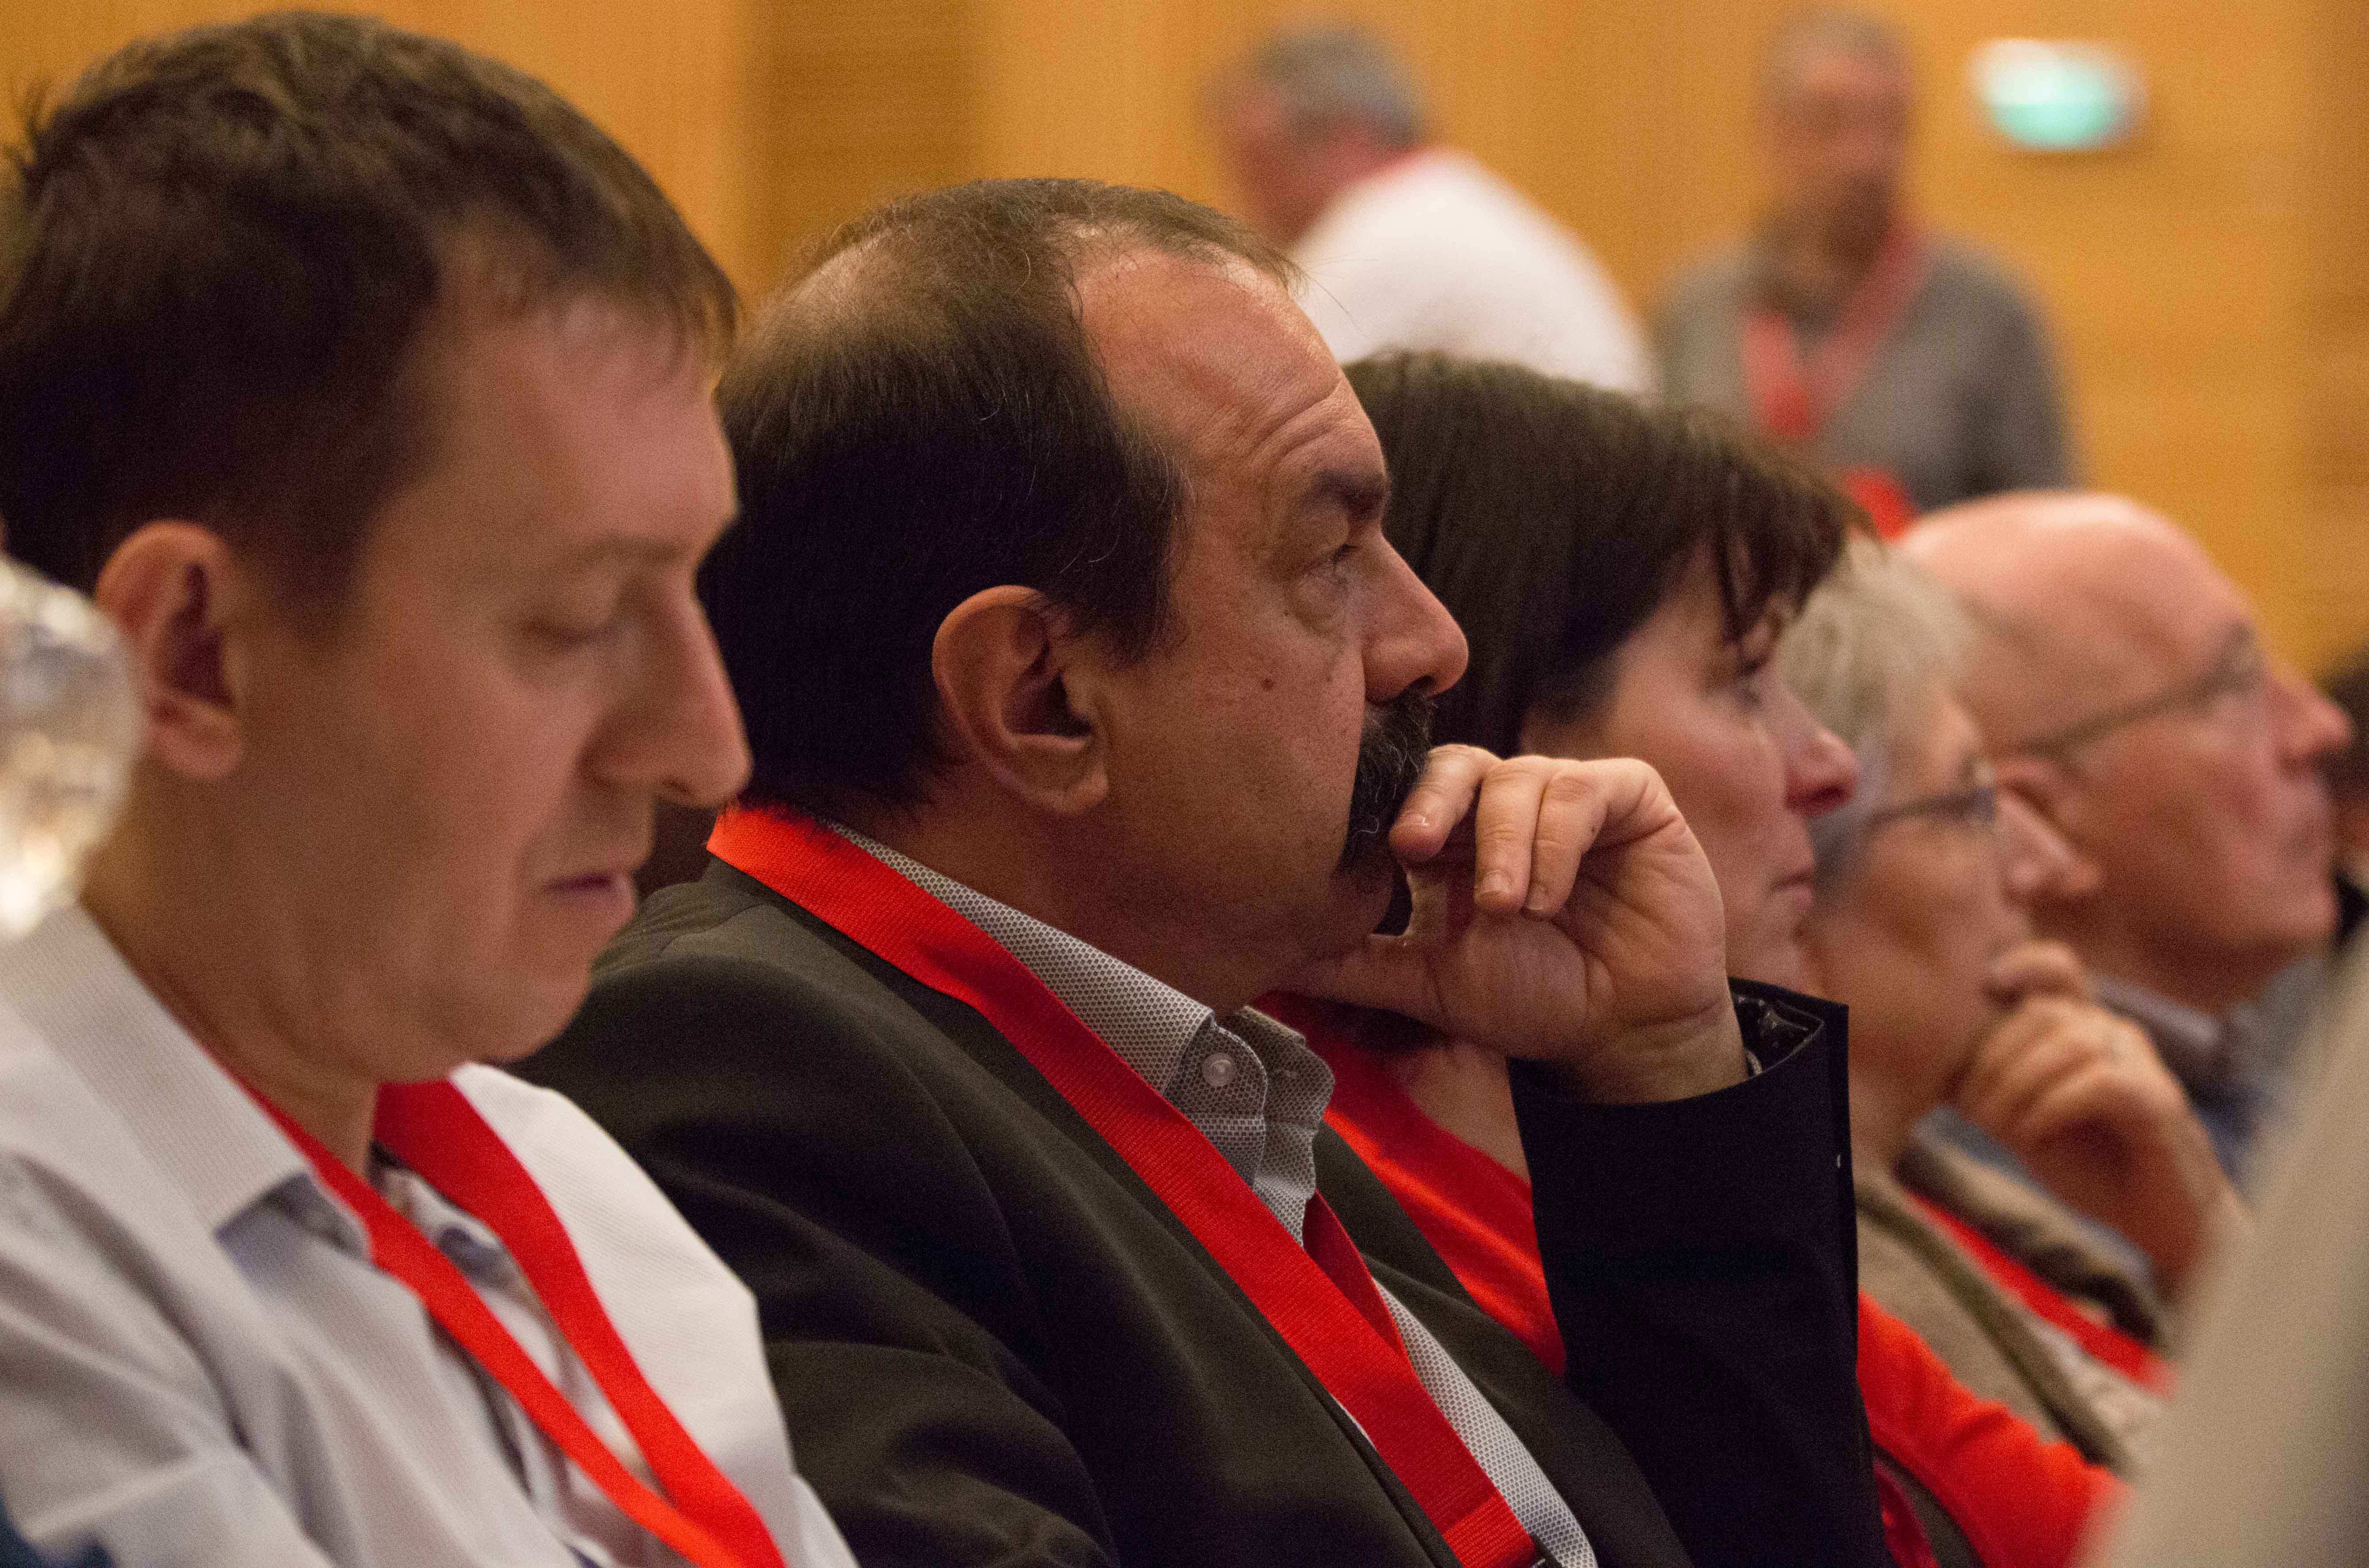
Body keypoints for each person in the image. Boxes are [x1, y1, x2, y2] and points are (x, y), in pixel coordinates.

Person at [527, 178, 1888, 1568]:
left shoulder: (1213, 1082)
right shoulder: (742, 1081)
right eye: (1333, 558)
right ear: (1044, 697)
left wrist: (1658, 1071)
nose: (1432, 642)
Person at [0, 15, 853, 1566]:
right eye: (577, 619)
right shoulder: (35, 1255)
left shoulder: (561, 1174)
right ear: (191, 655)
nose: (705, 749)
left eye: (692, 592)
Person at [1283, 350, 2115, 1568]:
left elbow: (2106, 1526)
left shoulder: (1670, 1151)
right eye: (1742, 680)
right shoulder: (1324, 1202)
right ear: (1517, 745)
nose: (1828, 765)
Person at [1785, 538, 2247, 1478]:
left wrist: (2205, 1247)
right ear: (1788, 875)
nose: (2042, 863)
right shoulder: (1817, 1310)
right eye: (1971, 804)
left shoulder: (1948, 1194)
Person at [1903, 492, 2351, 1182]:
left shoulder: (2225, 1073)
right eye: (2234, 683)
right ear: (2039, 819)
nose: (2321, 727)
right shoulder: (2043, 1178)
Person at [1658, 8, 2074, 526]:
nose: (1865, 158)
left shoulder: (1987, 314)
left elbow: (2047, 528)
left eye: (1887, 125)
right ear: (1772, 131)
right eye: (1831, 123)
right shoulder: (1698, 306)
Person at [1206, 24, 1651, 391]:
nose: (1245, 199)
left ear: (1348, 137)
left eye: (1260, 163)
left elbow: (1264, 392)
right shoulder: (1446, 203)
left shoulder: (1383, 231)